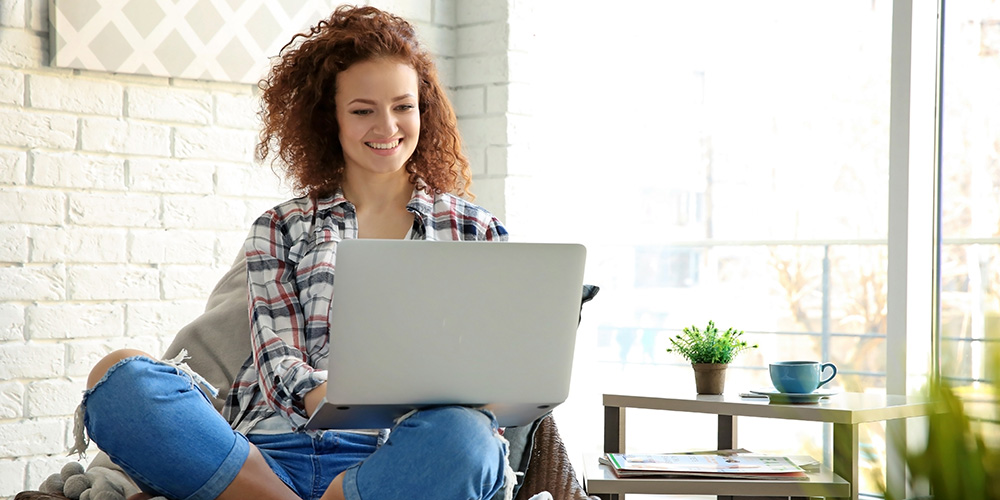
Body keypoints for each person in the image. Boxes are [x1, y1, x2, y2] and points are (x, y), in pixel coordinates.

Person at [77, 6, 517, 500]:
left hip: (394, 459)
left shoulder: (474, 229)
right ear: (330, 118)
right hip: (267, 452)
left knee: (470, 438)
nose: (387, 125)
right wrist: (331, 396)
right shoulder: (281, 227)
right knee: (121, 379)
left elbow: (489, 369)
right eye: (362, 109)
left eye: (403, 106)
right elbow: (278, 357)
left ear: (424, 109)